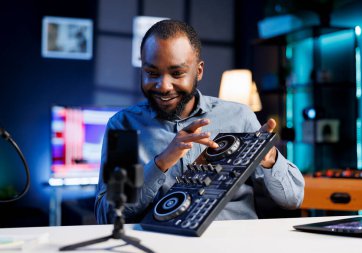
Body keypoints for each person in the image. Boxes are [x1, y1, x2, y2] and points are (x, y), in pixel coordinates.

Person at [95, 19, 304, 224]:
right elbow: (109, 215)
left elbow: (293, 199)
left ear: (199, 71)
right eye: (152, 73)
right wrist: (162, 162)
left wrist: (270, 158)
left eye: (177, 73)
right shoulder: (124, 126)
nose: (164, 86)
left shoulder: (240, 117)